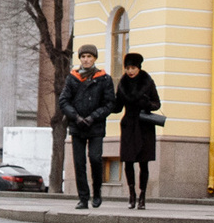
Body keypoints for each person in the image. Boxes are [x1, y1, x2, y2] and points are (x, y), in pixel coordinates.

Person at [58, 47, 115, 209]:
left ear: (95, 58)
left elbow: (109, 103)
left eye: (89, 56)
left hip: (95, 126)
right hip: (77, 126)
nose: (86, 59)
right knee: (79, 163)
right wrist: (75, 117)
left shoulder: (104, 78)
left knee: (95, 159)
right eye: (83, 56)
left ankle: (97, 192)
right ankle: (83, 197)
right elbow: (63, 101)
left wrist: (93, 117)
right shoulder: (72, 78)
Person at [113, 52, 161, 210]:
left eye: (133, 68)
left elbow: (157, 104)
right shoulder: (123, 84)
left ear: (139, 68)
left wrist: (147, 103)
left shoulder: (147, 81)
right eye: (127, 68)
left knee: (144, 163)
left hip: (144, 126)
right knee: (128, 161)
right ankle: (131, 194)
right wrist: (108, 103)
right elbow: (118, 106)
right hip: (128, 125)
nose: (130, 71)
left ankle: (142, 196)